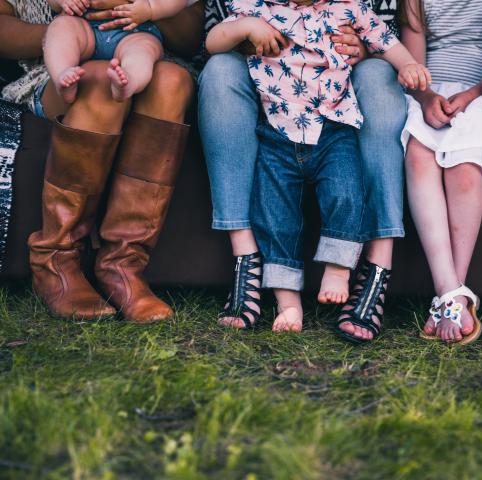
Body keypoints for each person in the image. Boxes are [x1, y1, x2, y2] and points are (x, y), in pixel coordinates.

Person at [205, 0, 430, 333]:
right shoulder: (258, 7)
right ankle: (288, 303)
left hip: (333, 126)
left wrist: (407, 64)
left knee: (346, 194)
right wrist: (244, 28)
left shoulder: (349, 7)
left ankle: (339, 270)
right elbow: (212, 42)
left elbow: (385, 39)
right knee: (274, 213)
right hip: (277, 129)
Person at [0, 0, 202, 323]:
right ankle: (55, 261)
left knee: (171, 82)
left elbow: (193, 36)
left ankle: (122, 265)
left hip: (146, 53)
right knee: (95, 81)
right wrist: (61, 36)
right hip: (61, 64)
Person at [400, 0, 482, 343]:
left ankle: (454, 290)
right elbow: (413, 63)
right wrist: (425, 97)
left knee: (464, 168)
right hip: (430, 94)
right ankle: (449, 290)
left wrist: (469, 96)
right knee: (419, 156)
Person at [44, 0, 189, 103]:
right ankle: (63, 75)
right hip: (85, 26)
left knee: (143, 50)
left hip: (136, 31)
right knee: (60, 28)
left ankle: (130, 81)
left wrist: (151, 8)